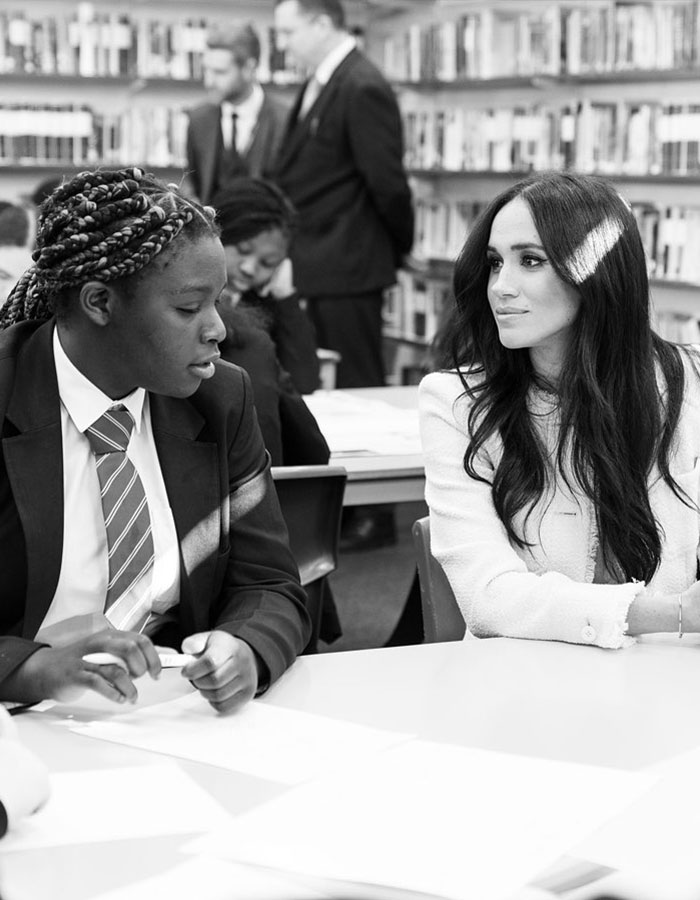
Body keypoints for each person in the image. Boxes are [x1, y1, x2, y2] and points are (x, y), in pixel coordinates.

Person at [0, 166, 311, 712]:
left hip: (168, 716)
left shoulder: (220, 398)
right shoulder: (8, 393)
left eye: (217, 302)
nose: (217, 329)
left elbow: (271, 584)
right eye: (189, 309)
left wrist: (246, 646)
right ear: (99, 302)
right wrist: (33, 669)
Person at [419, 170, 700, 648]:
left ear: (595, 273)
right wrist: (674, 614)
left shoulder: (686, 382)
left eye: (530, 261)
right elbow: (489, 598)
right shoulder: (456, 402)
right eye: (493, 263)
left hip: (666, 679)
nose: (500, 287)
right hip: (524, 684)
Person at [273, 0, 414, 551]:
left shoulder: (362, 86)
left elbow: (388, 183)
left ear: (321, 22)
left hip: (351, 264)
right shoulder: (323, 83)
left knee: (358, 385)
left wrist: (394, 247)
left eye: (288, 31)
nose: (283, 44)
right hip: (325, 262)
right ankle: (347, 511)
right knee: (337, 392)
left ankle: (374, 518)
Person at [213, 176, 320, 395]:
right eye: (242, 250)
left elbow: (304, 383)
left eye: (268, 263)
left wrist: (286, 296)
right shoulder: (188, 297)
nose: (249, 268)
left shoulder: (266, 304)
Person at [186, 22, 288, 205]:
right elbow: (197, 185)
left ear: (249, 69)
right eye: (206, 70)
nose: (209, 81)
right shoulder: (198, 120)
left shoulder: (286, 121)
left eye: (220, 72)